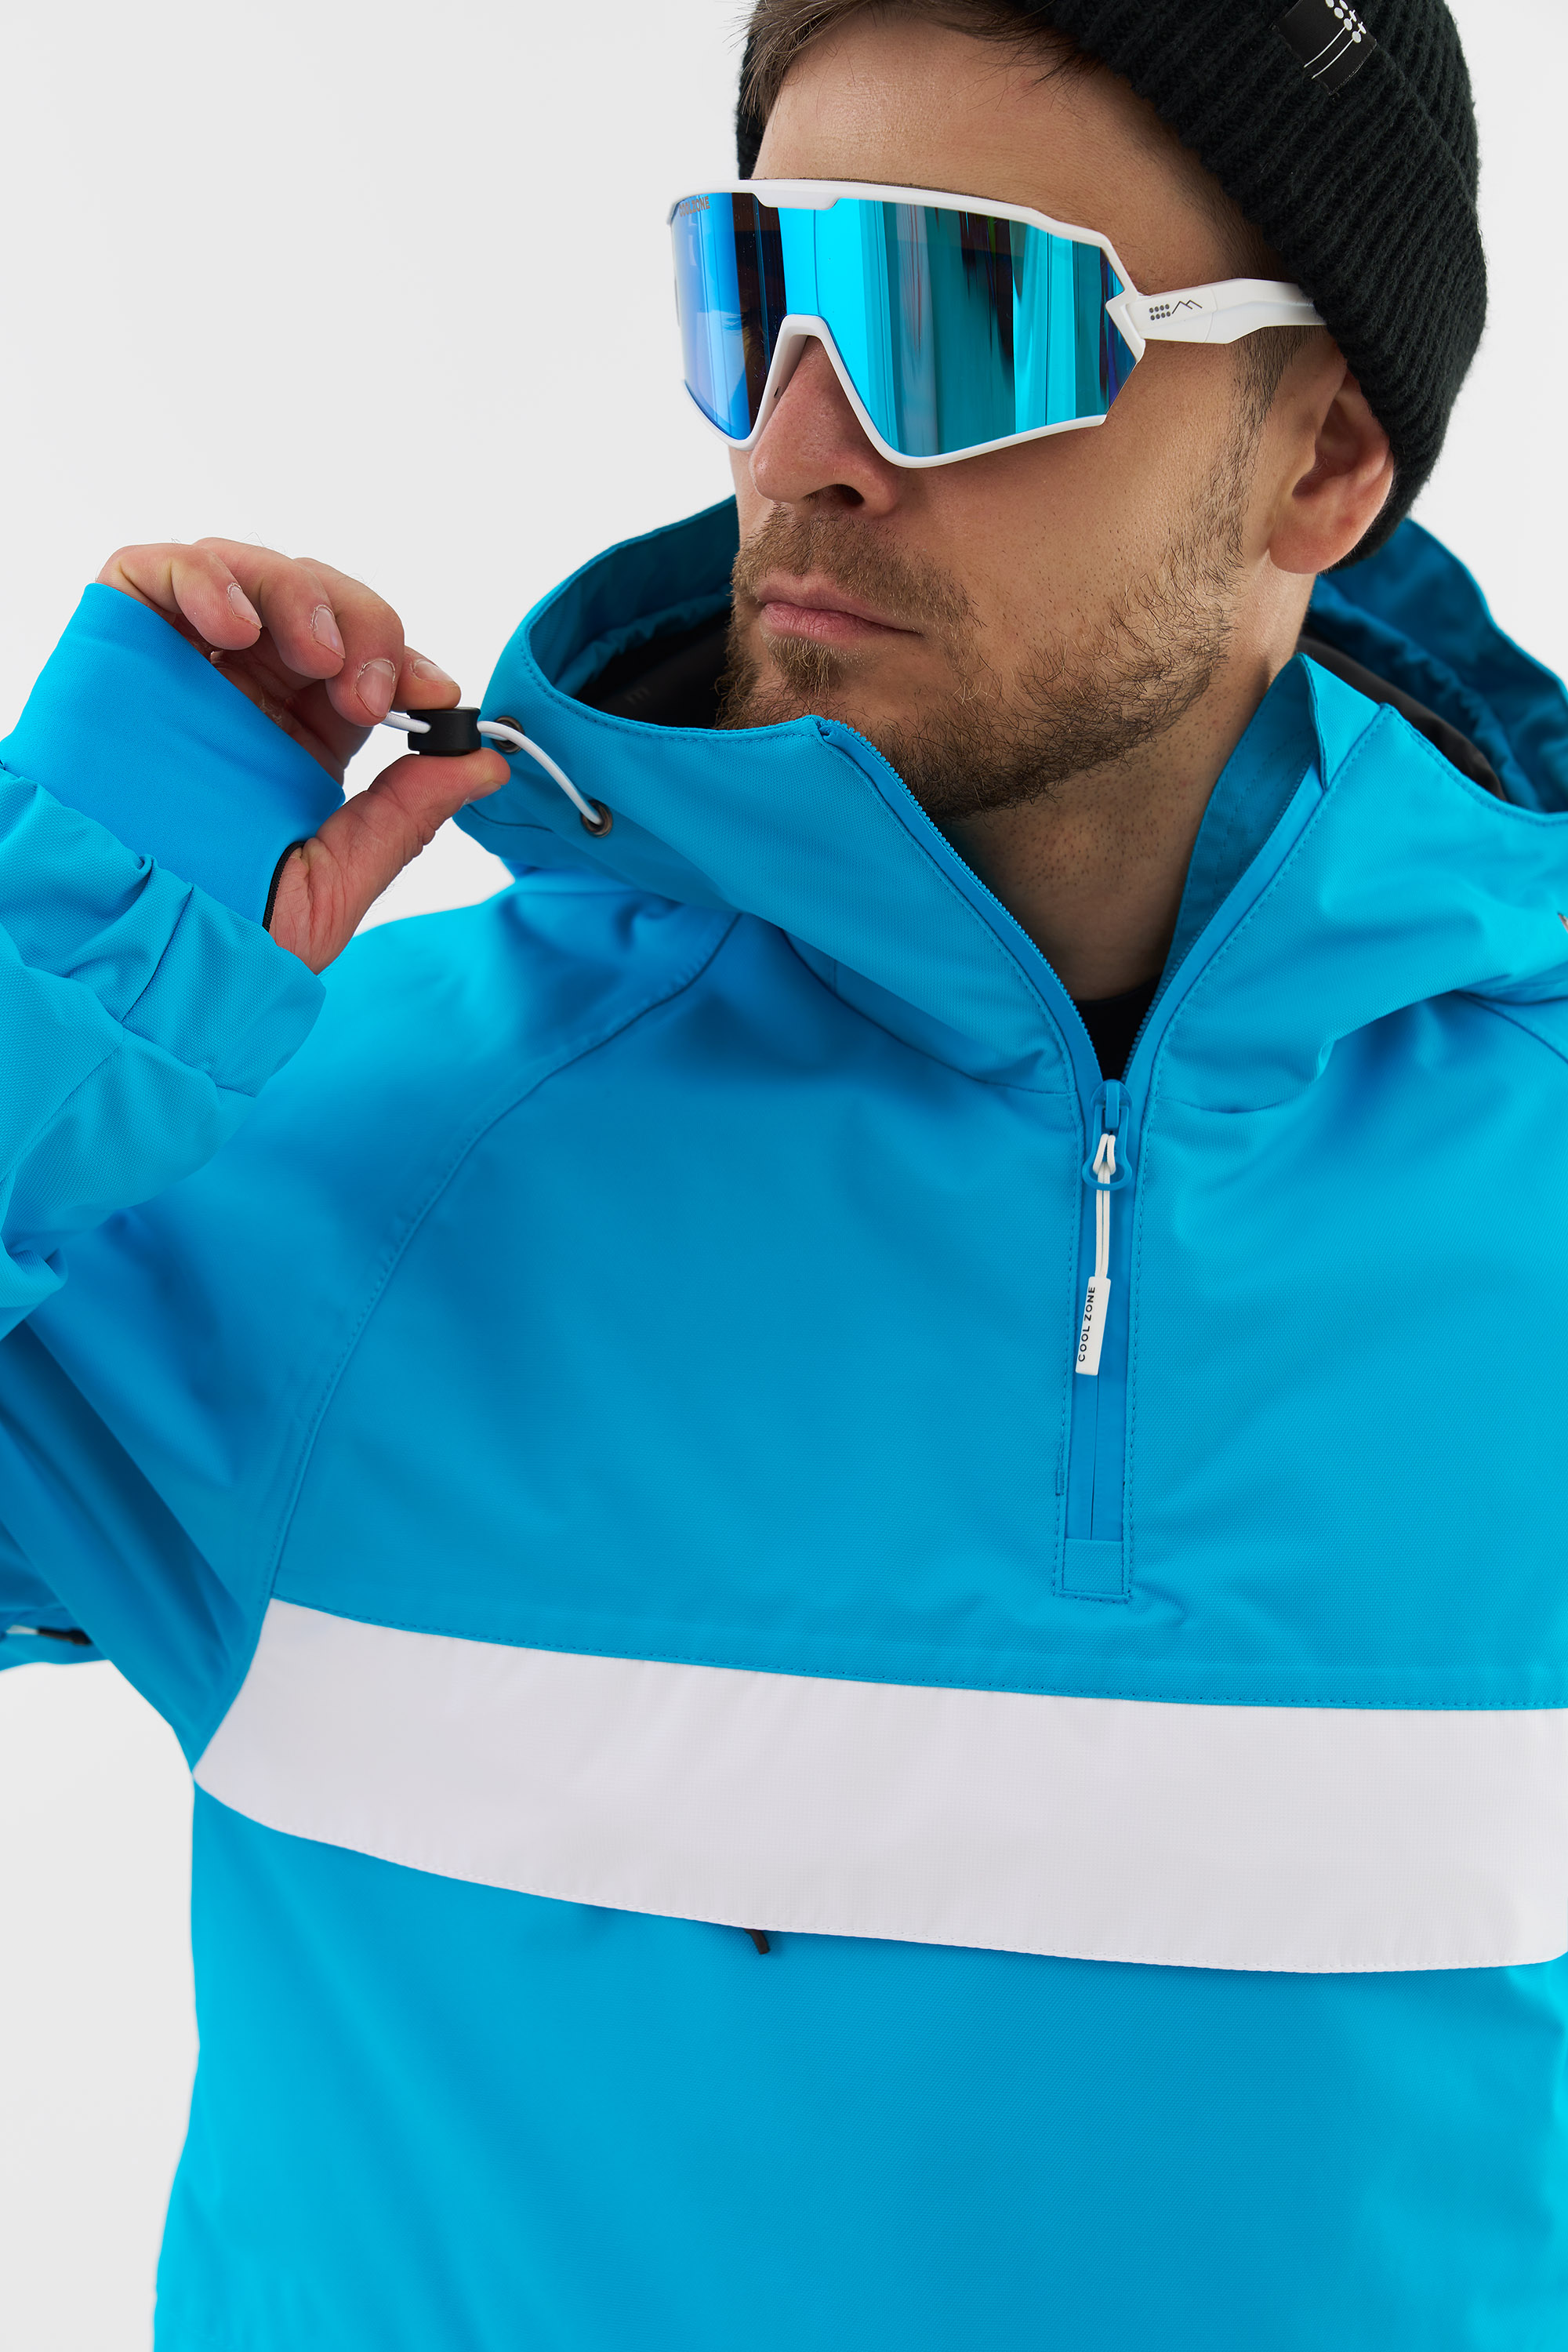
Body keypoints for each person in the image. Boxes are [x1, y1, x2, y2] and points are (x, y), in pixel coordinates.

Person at [4, 0, 1566, 2343]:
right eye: (759, 292)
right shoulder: (344, 1150)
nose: (804, 443)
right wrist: (58, 969)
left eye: (964, 310)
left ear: (1323, 459)